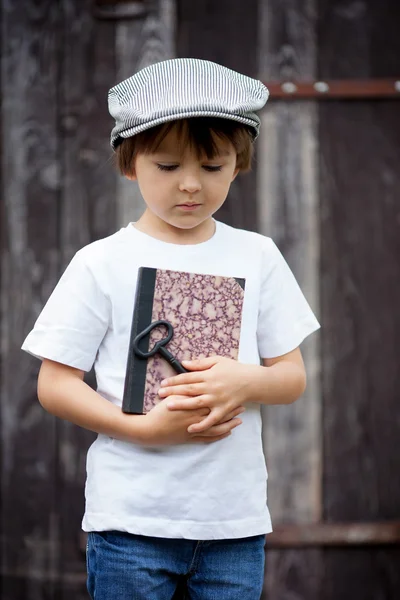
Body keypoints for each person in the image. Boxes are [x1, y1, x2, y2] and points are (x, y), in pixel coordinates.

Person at [22, 58, 320, 600]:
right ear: (131, 164)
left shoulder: (257, 256)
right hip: (132, 520)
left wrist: (243, 381)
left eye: (211, 166)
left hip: (232, 524)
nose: (190, 185)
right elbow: (55, 384)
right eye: (166, 166)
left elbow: (292, 377)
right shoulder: (101, 262)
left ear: (238, 165)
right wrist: (139, 431)